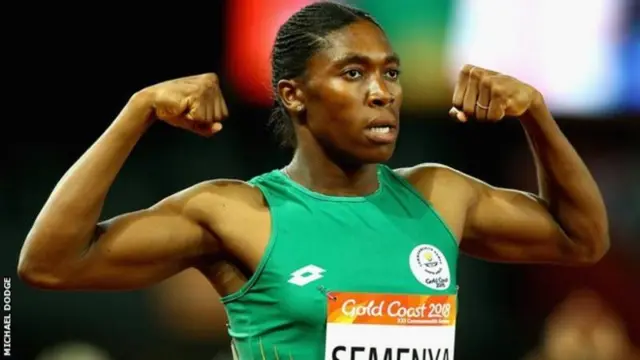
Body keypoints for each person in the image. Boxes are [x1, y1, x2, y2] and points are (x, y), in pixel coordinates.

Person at [18, 2, 610, 359]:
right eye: (353, 73)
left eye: (391, 73)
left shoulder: (439, 195)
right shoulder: (238, 213)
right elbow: (50, 263)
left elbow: (582, 240)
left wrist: (535, 112)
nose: (382, 92)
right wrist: (136, 112)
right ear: (294, 95)